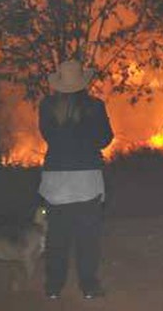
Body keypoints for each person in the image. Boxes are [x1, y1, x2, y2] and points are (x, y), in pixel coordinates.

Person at [38, 59, 114, 300]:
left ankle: (53, 286)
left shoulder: (47, 106)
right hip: (86, 179)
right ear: (83, 82)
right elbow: (104, 138)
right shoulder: (95, 106)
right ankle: (89, 285)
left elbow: (47, 135)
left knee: (57, 235)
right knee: (87, 236)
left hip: (56, 179)